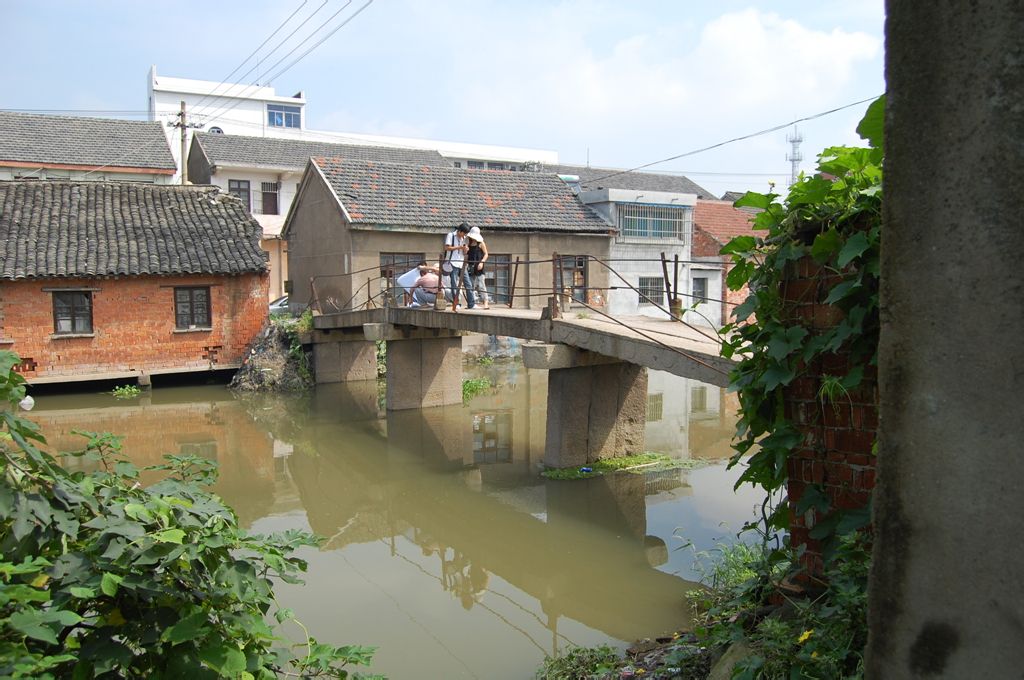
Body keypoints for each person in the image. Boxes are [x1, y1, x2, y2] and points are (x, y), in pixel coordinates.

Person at [443, 222, 475, 310]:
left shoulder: (464, 238)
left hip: (462, 263)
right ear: (460, 231)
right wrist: (459, 247)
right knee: (454, 284)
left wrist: (466, 249)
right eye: (464, 233)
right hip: (452, 262)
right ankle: (456, 303)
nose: (464, 235)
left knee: (468, 283)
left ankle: (471, 304)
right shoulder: (451, 235)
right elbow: (447, 248)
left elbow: (464, 251)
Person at [465, 226, 490, 309]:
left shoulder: (481, 243)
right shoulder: (468, 243)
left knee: (482, 285)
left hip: (479, 266)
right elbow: (466, 255)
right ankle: (472, 302)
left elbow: (486, 254)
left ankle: (485, 302)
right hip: (471, 267)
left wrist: (482, 262)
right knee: (471, 285)